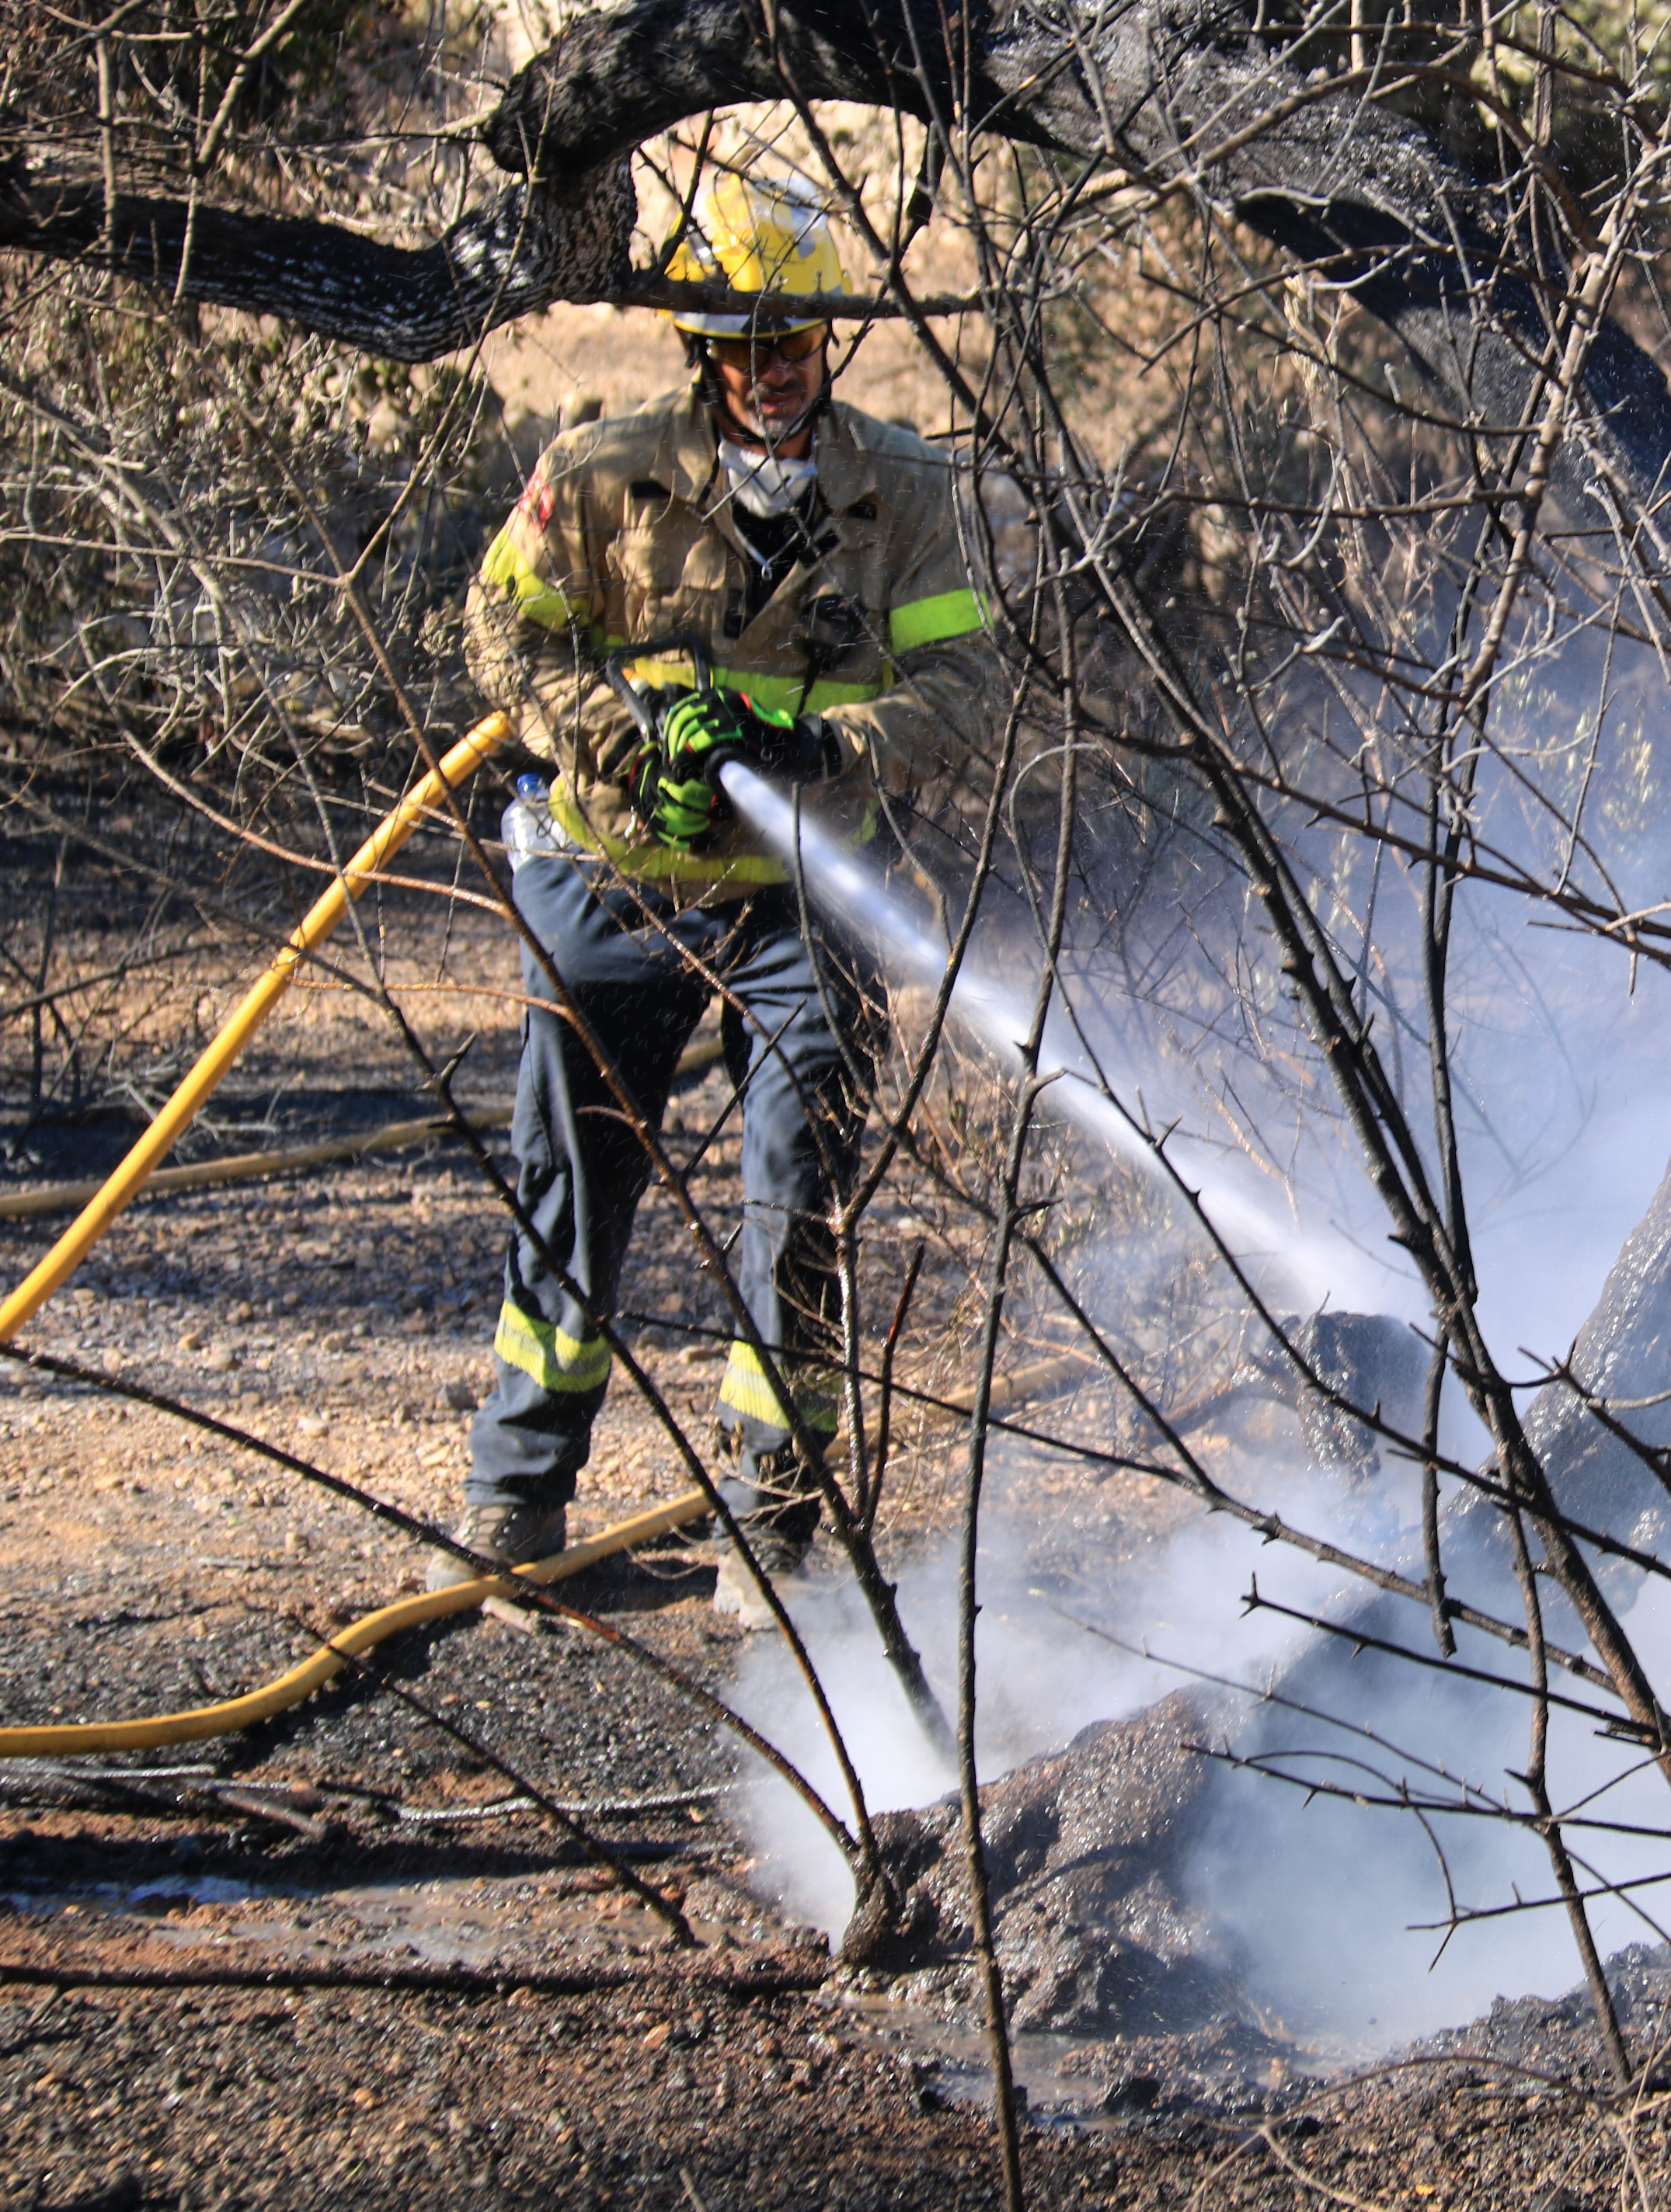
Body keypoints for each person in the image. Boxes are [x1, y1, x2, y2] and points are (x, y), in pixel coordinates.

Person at [435, 170, 998, 1621]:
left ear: (831, 344)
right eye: (741, 348)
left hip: (802, 892)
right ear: (701, 352)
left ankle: (782, 1516)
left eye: (792, 344)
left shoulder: (907, 491)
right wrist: (618, 736)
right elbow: (501, 638)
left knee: (801, 1170)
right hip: (608, 873)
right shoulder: (603, 467)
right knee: (576, 1172)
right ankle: (518, 1490)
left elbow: (965, 686)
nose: (769, 374)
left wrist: (814, 745)